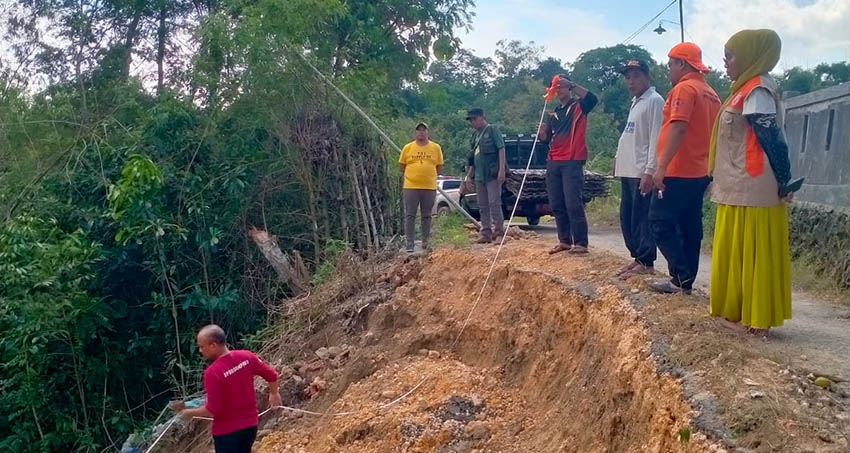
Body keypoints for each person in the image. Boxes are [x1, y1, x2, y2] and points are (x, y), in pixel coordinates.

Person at [708, 29, 795, 333]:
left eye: (730, 55)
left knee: (754, 253)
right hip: (737, 184)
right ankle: (738, 313)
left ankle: (757, 323)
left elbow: (772, 140)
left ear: (751, 55)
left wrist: (784, 181)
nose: (725, 61)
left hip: (755, 185)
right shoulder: (743, 88)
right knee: (738, 252)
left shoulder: (758, 90)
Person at [647, 43, 721, 294]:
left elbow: (678, 127)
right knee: (690, 226)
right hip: (700, 170)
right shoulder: (711, 93)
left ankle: (680, 276)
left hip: (678, 169)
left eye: (670, 65)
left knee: (659, 221)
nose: (669, 70)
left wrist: (661, 167)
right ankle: (685, 280)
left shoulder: (684, 89)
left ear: (682, 63)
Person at [178, 325, 281, 453]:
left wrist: (189, 413)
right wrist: (274, 393)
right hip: (250, 427)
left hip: (227, 433)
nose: (200, 350)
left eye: (202, 346)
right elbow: (272, 375)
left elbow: (211, 410)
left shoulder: (212, 373)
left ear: (213, 345)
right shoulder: (246, 356)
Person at [537, 74, 598, 255]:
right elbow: (547, 140)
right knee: (556, 203)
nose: (559, 89)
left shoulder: (579, 106)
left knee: (573, 202)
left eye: (562, 85)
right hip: (553, 161)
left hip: (572, 160)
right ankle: (564, 240)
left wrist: (572, 84)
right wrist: (542, 135)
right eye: (556, 86)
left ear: (568, 87)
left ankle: (581, 243)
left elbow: (592, 99)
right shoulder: (553, 113)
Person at [614, 60, 664, 278]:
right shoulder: (637, 102)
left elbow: (656, 137)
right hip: (628, 169)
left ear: (647, 77)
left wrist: (650, 170)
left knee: (642, 218)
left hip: (641, 170)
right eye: (628, 77)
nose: (631, 81)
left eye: (635, 76)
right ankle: (637, 258)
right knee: (628, 218)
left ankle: (646, 261)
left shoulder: (654, 101)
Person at [399, 122, 444, 252]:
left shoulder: (435, 148)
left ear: (427, 133)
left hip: (429, 186)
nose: (421, 132)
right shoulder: (407, 148)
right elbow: (402, 166)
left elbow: (439, 166)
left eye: (424, 130)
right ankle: (410, 242)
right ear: (415, 133)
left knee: (427, 214)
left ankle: (425, 240)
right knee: (410, 215)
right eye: (419, 130)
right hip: (411, 186)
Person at [465, 108, 507, 243]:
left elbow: (501, 149)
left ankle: (499, 232)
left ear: (482, 117)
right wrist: (468, 176)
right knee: (482, 205)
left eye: (475, 119)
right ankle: (486, 232)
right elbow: (472, 158)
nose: (473, 122)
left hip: (492, 173)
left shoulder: (492, 130)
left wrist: (502, 170)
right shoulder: (474, 136)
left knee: (494, 202)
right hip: (479, 175)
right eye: (471, 120)